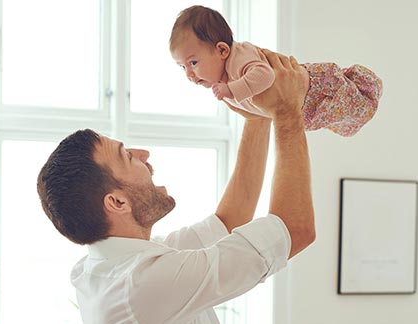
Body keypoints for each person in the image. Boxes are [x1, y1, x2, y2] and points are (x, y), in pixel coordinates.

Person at [37, 50, 314, 324]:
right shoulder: (138, 287)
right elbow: (295, 229)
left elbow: (229, 221)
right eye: (128, 156)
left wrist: (258, 115)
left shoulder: (114, 265)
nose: (144, 155)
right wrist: (286, 111)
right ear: (117, 202)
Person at [170, 5, 383, 137]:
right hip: (305, 107)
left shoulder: (239, 58)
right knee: (343, 124)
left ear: (222, 50)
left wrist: (231, 90)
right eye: (182, 67)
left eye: (193, 63)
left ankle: (365, 87)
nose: (189, 74)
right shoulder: (224, 80)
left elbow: (264, 75)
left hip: (316, 88)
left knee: (361, 107)